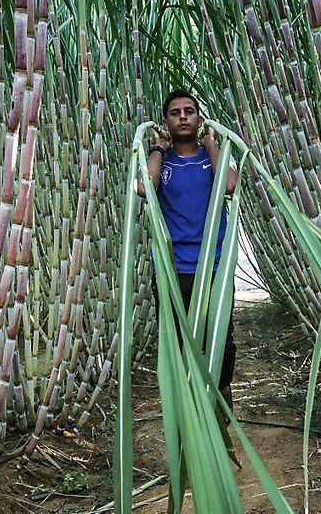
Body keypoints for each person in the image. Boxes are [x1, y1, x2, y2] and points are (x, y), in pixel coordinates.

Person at [138, 89, 238, 410]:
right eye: (175, 112)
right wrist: (157, 148)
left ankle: (221, 397)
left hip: (213, 266)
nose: (183, 116)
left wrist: (211, 142)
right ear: (166, 121)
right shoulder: (160, 161)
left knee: (220, 338)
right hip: (172, 269)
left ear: (199, 118)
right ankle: (187, 405)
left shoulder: (214, 157)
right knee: (178, 340)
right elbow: (145, 187)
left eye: (190, 111)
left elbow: (230, 184)